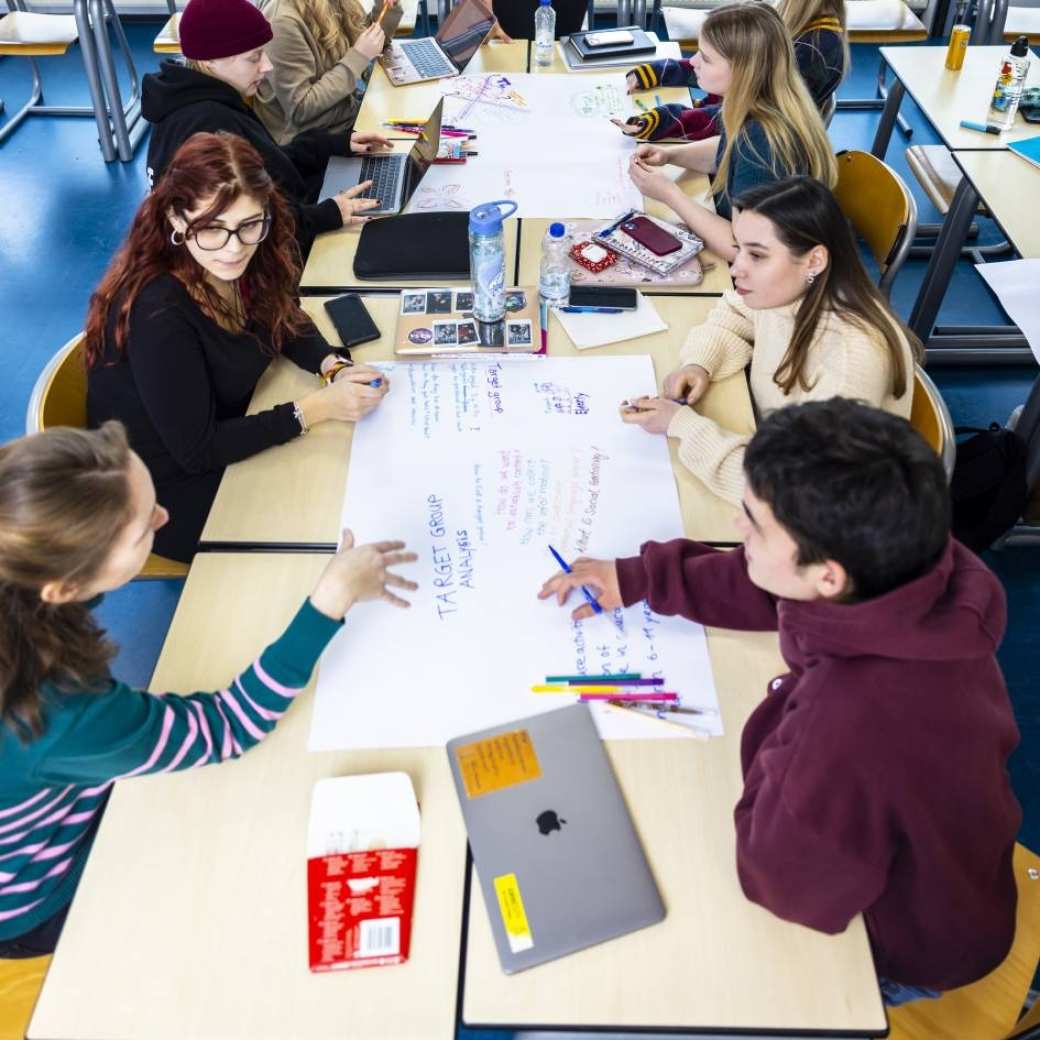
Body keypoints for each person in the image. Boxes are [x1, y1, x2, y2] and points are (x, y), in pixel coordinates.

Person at [539, 398, 1021, 1004]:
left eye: (753, 521)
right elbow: (768, 582)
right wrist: (640, 578)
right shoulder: (915, 568)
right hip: (953, 864)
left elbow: (780, 882)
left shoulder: (850, 724)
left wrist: (780, 743)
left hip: (908, 946)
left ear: (828, 579)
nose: (738, 530)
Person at [0, 420, 417, 958]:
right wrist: (328, 601)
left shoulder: (25, 589)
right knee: (236, 867)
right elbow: (227, 727)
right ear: (64, 587)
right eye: (143, 529)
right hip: (33, 899)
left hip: (42, 797)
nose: (163, 517)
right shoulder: (60, 710)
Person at [86, 132, 390, 563]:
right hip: (161, 492)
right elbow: (198, 451)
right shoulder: (158, 313)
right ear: (176, 218)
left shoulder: (251, 252)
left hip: (223, 429)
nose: (233, 248)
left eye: (250, 224)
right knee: (328, 510)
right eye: (212, 228)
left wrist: (331, 366)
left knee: (348, 473)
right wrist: (317, 408)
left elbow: (281, 316)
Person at [621, 177, 917, 505]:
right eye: (739, 248)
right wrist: (699, 363)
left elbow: (794, 493)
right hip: (773, 448)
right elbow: (735, 314)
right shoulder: (791, 290)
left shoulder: (851, 359)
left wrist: (683, 426)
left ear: (814, 261)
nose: (737, 270)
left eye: (758, 256)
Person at [142, 0, 393, 257]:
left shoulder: (205, 100)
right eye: (254, 58)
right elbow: (253, 227)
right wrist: (328, 214)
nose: (267, 66)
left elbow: (264, 162)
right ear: (209, 62)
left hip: (289, 212)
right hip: (266, 251)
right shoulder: (209, 128)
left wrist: (333, 144)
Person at [626, 3, 836, 262]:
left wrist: (670, 194)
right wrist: (671, 155)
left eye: (706, 57)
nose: (693, 62)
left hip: (759, 272)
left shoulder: (763, 140)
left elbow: (745, 250)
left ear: (742, 70)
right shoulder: (758, 102)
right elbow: (728, 149)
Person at [618, 0, 847, 142]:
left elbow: (735, 118)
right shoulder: (794, 18)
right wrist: (658, 72)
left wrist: (664, 121)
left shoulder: (817, 48)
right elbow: (724, 68)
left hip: (741, 146)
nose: (699, 61)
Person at [254, 0, 404, 145]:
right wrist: (359, 56)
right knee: (403, 146)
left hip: (343, 116)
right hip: (311, 143)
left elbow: (371, 44)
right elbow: (300, 108)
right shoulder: (281, 21)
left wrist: (385, 7)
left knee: (411, 129)